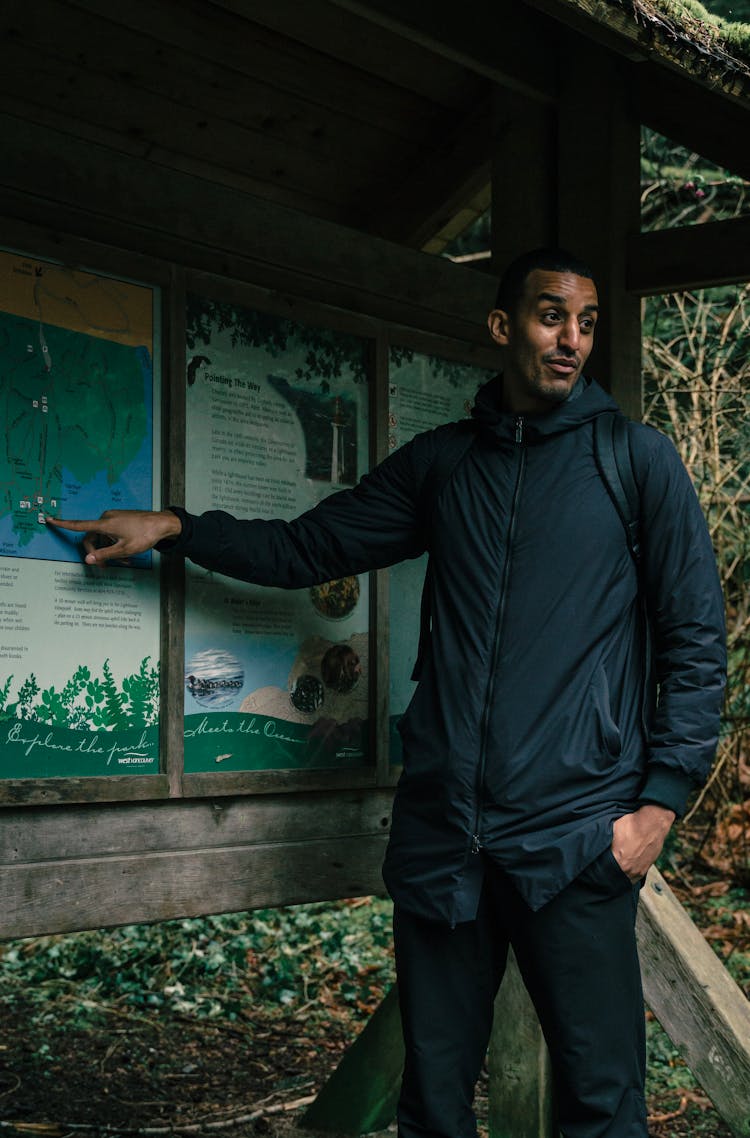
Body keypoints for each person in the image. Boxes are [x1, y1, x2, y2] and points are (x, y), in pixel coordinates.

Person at [48, 248, 726, 1138]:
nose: (570, 340)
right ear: (502, 326)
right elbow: (309, 548)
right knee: (433, 1104)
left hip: (575, 834)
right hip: (448, 839)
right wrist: (177, 527)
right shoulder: (445, 465)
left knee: (601, 1105)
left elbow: (695, 638)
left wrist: (659, 806)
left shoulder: (634, 462)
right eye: (550, 316)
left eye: (586, 323)